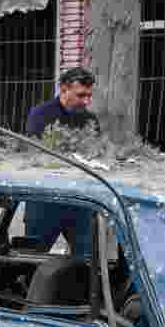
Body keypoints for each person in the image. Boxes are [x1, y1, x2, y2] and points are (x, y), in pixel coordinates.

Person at [23, 67, 100, 258]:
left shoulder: (90, 119)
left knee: (87, 261)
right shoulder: (40, 114)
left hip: (80, 201)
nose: (86, 101)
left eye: (89, 96)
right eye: (81, 95)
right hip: (44, 200)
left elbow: (97, 154)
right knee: (31, 261)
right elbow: (37, 156)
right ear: (64, 89)